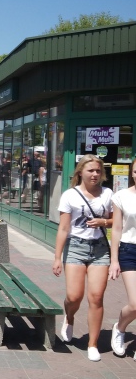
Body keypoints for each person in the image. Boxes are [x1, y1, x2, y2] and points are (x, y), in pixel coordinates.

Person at [53, 154, 113, 362]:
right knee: (74, 296)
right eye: (91, 170)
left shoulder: (108, 194)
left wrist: (104, 222)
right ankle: (69, 317)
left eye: (98, 171)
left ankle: (93, 344)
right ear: (80, 173)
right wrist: (57, 257)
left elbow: (116, 220)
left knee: (96, 297)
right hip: (75, 246)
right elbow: (63, 228)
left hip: (100, 249)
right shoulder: (69, 195)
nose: (95, 174)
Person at [108, 158, 136, 358]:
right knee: (135, 304)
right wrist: (114, 260)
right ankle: (120, 327)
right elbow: (116, 229)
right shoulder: (121, 196)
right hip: (129, 250)